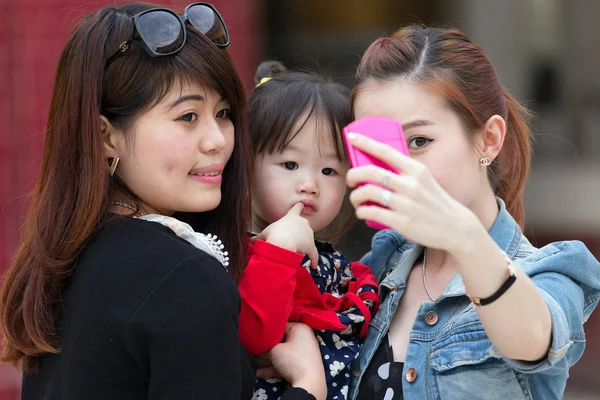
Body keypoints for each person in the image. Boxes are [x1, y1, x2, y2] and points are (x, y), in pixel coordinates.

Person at [0, 4, 324, 400]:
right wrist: (307, 387)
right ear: (106, 136)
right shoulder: (182, 276)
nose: (218, 139)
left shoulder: (63, 262)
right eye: (187, 116)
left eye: (223, 113)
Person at [342, 26, 600, 399]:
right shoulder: (380, 268)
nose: (401, 168)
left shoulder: (548, 272)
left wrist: (464, 237)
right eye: (380, 147)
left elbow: (532, 339)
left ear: (490, 139)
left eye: (418, 141)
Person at [238, 62, 380, 400]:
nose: (309, 184)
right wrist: (280, 249)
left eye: (329, 170)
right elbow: (257, 335)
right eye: (289, 164)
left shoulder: (340, 266)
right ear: (247, 161)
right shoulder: (239, 255)